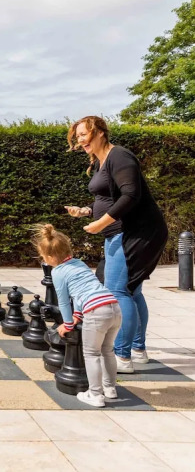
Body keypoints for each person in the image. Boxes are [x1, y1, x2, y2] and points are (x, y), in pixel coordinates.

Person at [65, 116, 168, 374]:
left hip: (134, 233)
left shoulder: (119, 156)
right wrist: (87, 211)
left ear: (100, 132)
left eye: (83, 134)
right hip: (124, 232)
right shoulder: (101, 161)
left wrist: (101, 223)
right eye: (77, 137)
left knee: (118, 292)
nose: (80, 140)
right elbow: (110, 199)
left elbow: (131, 195)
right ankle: (138, 350)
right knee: (132, 291)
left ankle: (122, 356)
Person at [34, 224, 122, 407]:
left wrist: (67, 323)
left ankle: (95, 394)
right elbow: (83, 291)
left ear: (49, 257)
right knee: (107, 350)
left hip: (96, 312)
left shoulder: (58, 272)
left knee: (91, 353)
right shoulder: (79, 263)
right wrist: (78, 315)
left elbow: (64, 301)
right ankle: (110, 388)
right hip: (113, 306)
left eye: (43, 256)